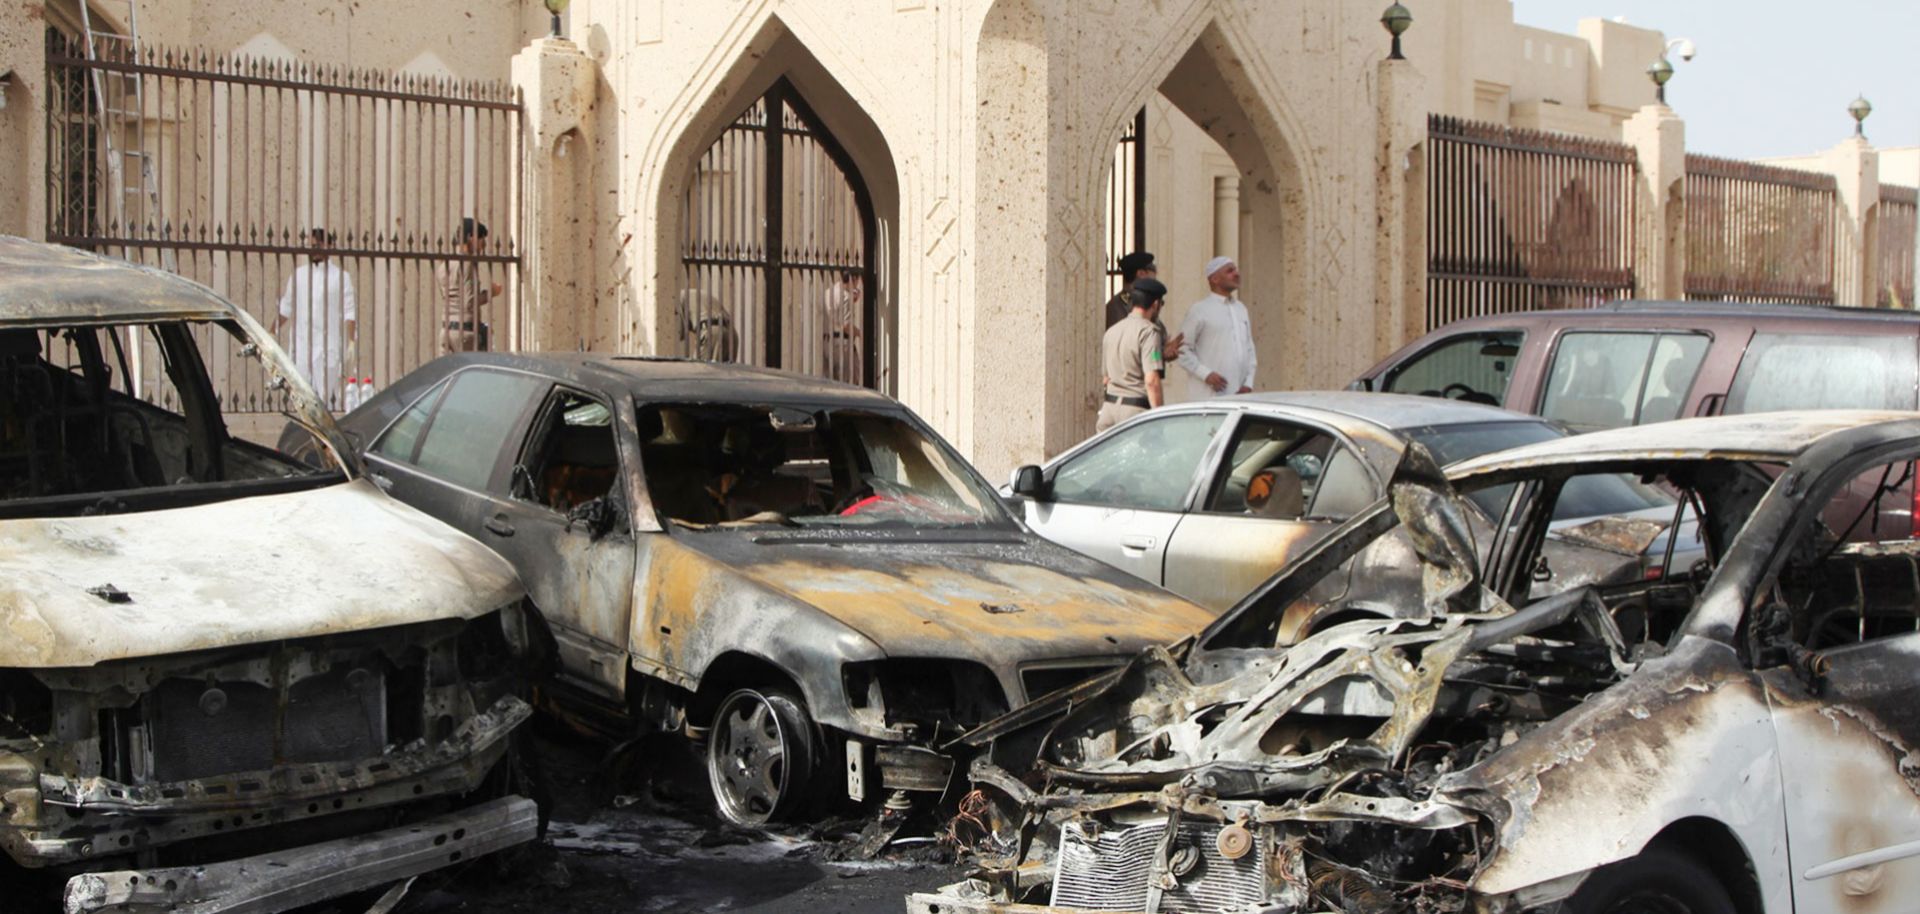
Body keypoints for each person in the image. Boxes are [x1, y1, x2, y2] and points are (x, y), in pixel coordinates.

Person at [273, 228, 357, 409]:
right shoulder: (299, 275)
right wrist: (271, 331)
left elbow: (349, 311)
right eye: (312, 246)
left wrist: (351, 341)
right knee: (302, 397)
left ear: (330, 246)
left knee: (327, 400)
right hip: (302, 346)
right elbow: (285, 308)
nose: (314, 250)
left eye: (318, 246)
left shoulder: (341, 277)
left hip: (328, 348)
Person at [1176, 255, 1257, 399]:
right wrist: (1206, 374)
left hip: (1239, 395)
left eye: (1236, 270)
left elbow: (1249, 349)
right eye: (1230, 271)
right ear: (1214, 279)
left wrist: (1248, 383)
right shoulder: (1199, 310)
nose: (1236, 274)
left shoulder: (1241, 309)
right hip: (1209, 396)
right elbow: (1182, 350)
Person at [1095, 277, 1170, 433]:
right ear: (1155, 304)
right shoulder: (1149, 332)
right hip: (1134, 414)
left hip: (1108, 412)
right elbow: (1151, 380)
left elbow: (1105, 378)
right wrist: (1159, 416)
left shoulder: (1112, 331)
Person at [1103, 250, 1183, 366]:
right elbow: (1132, 353)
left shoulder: (1143, 305)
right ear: (1141, 273)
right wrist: (1161, 354)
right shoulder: (1118, 307)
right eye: (1152, 277)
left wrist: (1163, 353)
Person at [439, 218, 503, 353]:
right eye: (481, 241)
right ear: (470, 237)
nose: (483, 246)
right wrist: (491, 293)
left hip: (446, 331)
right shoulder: (467, 265)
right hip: (464, 333)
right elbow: (470, 302)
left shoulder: (445, 265)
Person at [821, 270, 863, 385]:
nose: (856, 286)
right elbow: (845, 325)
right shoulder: (845, 297)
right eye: (856, 282)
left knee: (830, 382)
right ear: (852, 279)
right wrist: (859, 333)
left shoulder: (829, 292)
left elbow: (835, 314)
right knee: (849, 381)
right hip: (842, 344)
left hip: (827, 341)